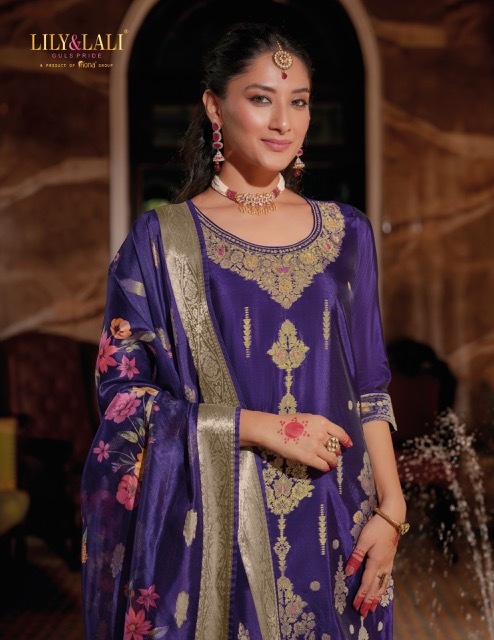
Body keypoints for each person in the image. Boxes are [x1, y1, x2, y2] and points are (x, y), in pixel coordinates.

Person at [81, 22, 408, 640]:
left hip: (338, 522)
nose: (284, 121)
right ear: (214, 106)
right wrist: (256, 427)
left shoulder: (347, 233)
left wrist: (391, 511)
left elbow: (370, 388)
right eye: (261, 98)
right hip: (213, 534)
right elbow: (121, 399)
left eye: (299, 101)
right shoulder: (161, 241)